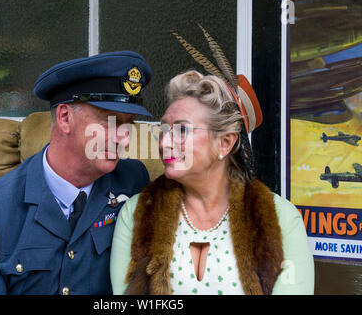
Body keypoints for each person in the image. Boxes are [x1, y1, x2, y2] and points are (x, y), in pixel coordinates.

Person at [0, 51, 153, 295]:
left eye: (128, 124)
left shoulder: (133, 182)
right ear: (65, 118)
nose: (123, 137)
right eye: (109, 121)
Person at [110, 70, 315, 295]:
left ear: (225, 143)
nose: (165, 142)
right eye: (163, 130)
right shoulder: (137, 213)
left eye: (181, 130)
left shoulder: (281, 217)